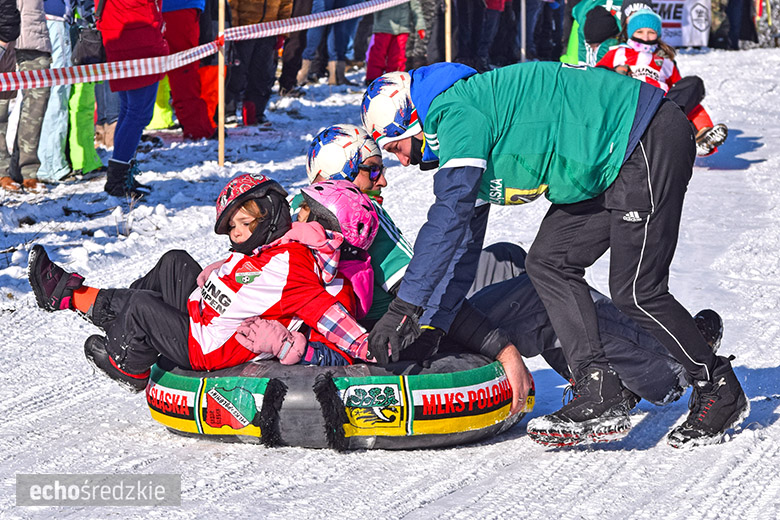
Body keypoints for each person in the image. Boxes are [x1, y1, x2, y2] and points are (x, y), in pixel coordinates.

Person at [361, 64, 749, 448]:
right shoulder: (458, 126)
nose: (404, 161)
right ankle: (599, 385)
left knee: (636, 289)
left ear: (411, 122)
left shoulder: (457, 113)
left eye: (397, 148)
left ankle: (718, 386)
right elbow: (461, 248)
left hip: (644, 137)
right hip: (604, 163)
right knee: (549, 262)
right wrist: (434, 326)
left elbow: (446, 219)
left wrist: (403, 308)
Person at [27, 174, 381, 392]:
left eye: (244, 224)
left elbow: (326, 313)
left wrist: (368, 346)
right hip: (202, 314)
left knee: (141, 306)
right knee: (174, 263)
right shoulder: (280, 245)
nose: (236, 233)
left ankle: (130, 364)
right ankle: (72, 298)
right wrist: (226, 267)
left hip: (206, 347)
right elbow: (258, 272)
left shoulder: (295, 265)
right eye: (233, 227)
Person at [596, 8, 728, 157]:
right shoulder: (617, 53)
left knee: (693, 86)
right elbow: (595, 76)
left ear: (657, 35)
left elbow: (681, 93)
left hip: (660, 108)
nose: (645, 37)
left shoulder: (665, 61)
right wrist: (615, 72)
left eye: (651, 32)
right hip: (629, 103)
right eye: (640, 32)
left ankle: (702, 135)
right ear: (631, 32)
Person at [98, 0, 169, 199]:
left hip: (122, 36)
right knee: (138, 113)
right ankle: (118, 179)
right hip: (139, 40)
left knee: (129, 110)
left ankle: (121, 175)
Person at [0, 0, 51, 193]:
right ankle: (1, 169)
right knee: (0, 106)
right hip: (2, 34)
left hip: (33, 32)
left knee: (38, 103)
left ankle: (27, 170)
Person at [226, 0, 292, 125]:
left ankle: (255, 113)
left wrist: (282, 32)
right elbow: (232, 4)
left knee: (262, 75)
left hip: (269, 30)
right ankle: (228, 112)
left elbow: (286, 5)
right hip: (244, 29)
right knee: (236, 74)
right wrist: (233, 27)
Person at [364, 0, 425, 85]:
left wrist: (420, 25)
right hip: (383, 26)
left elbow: (415, 6)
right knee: (378, 54)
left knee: (398, 56)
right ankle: (373, 79)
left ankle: (394, 79)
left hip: (403, 27)